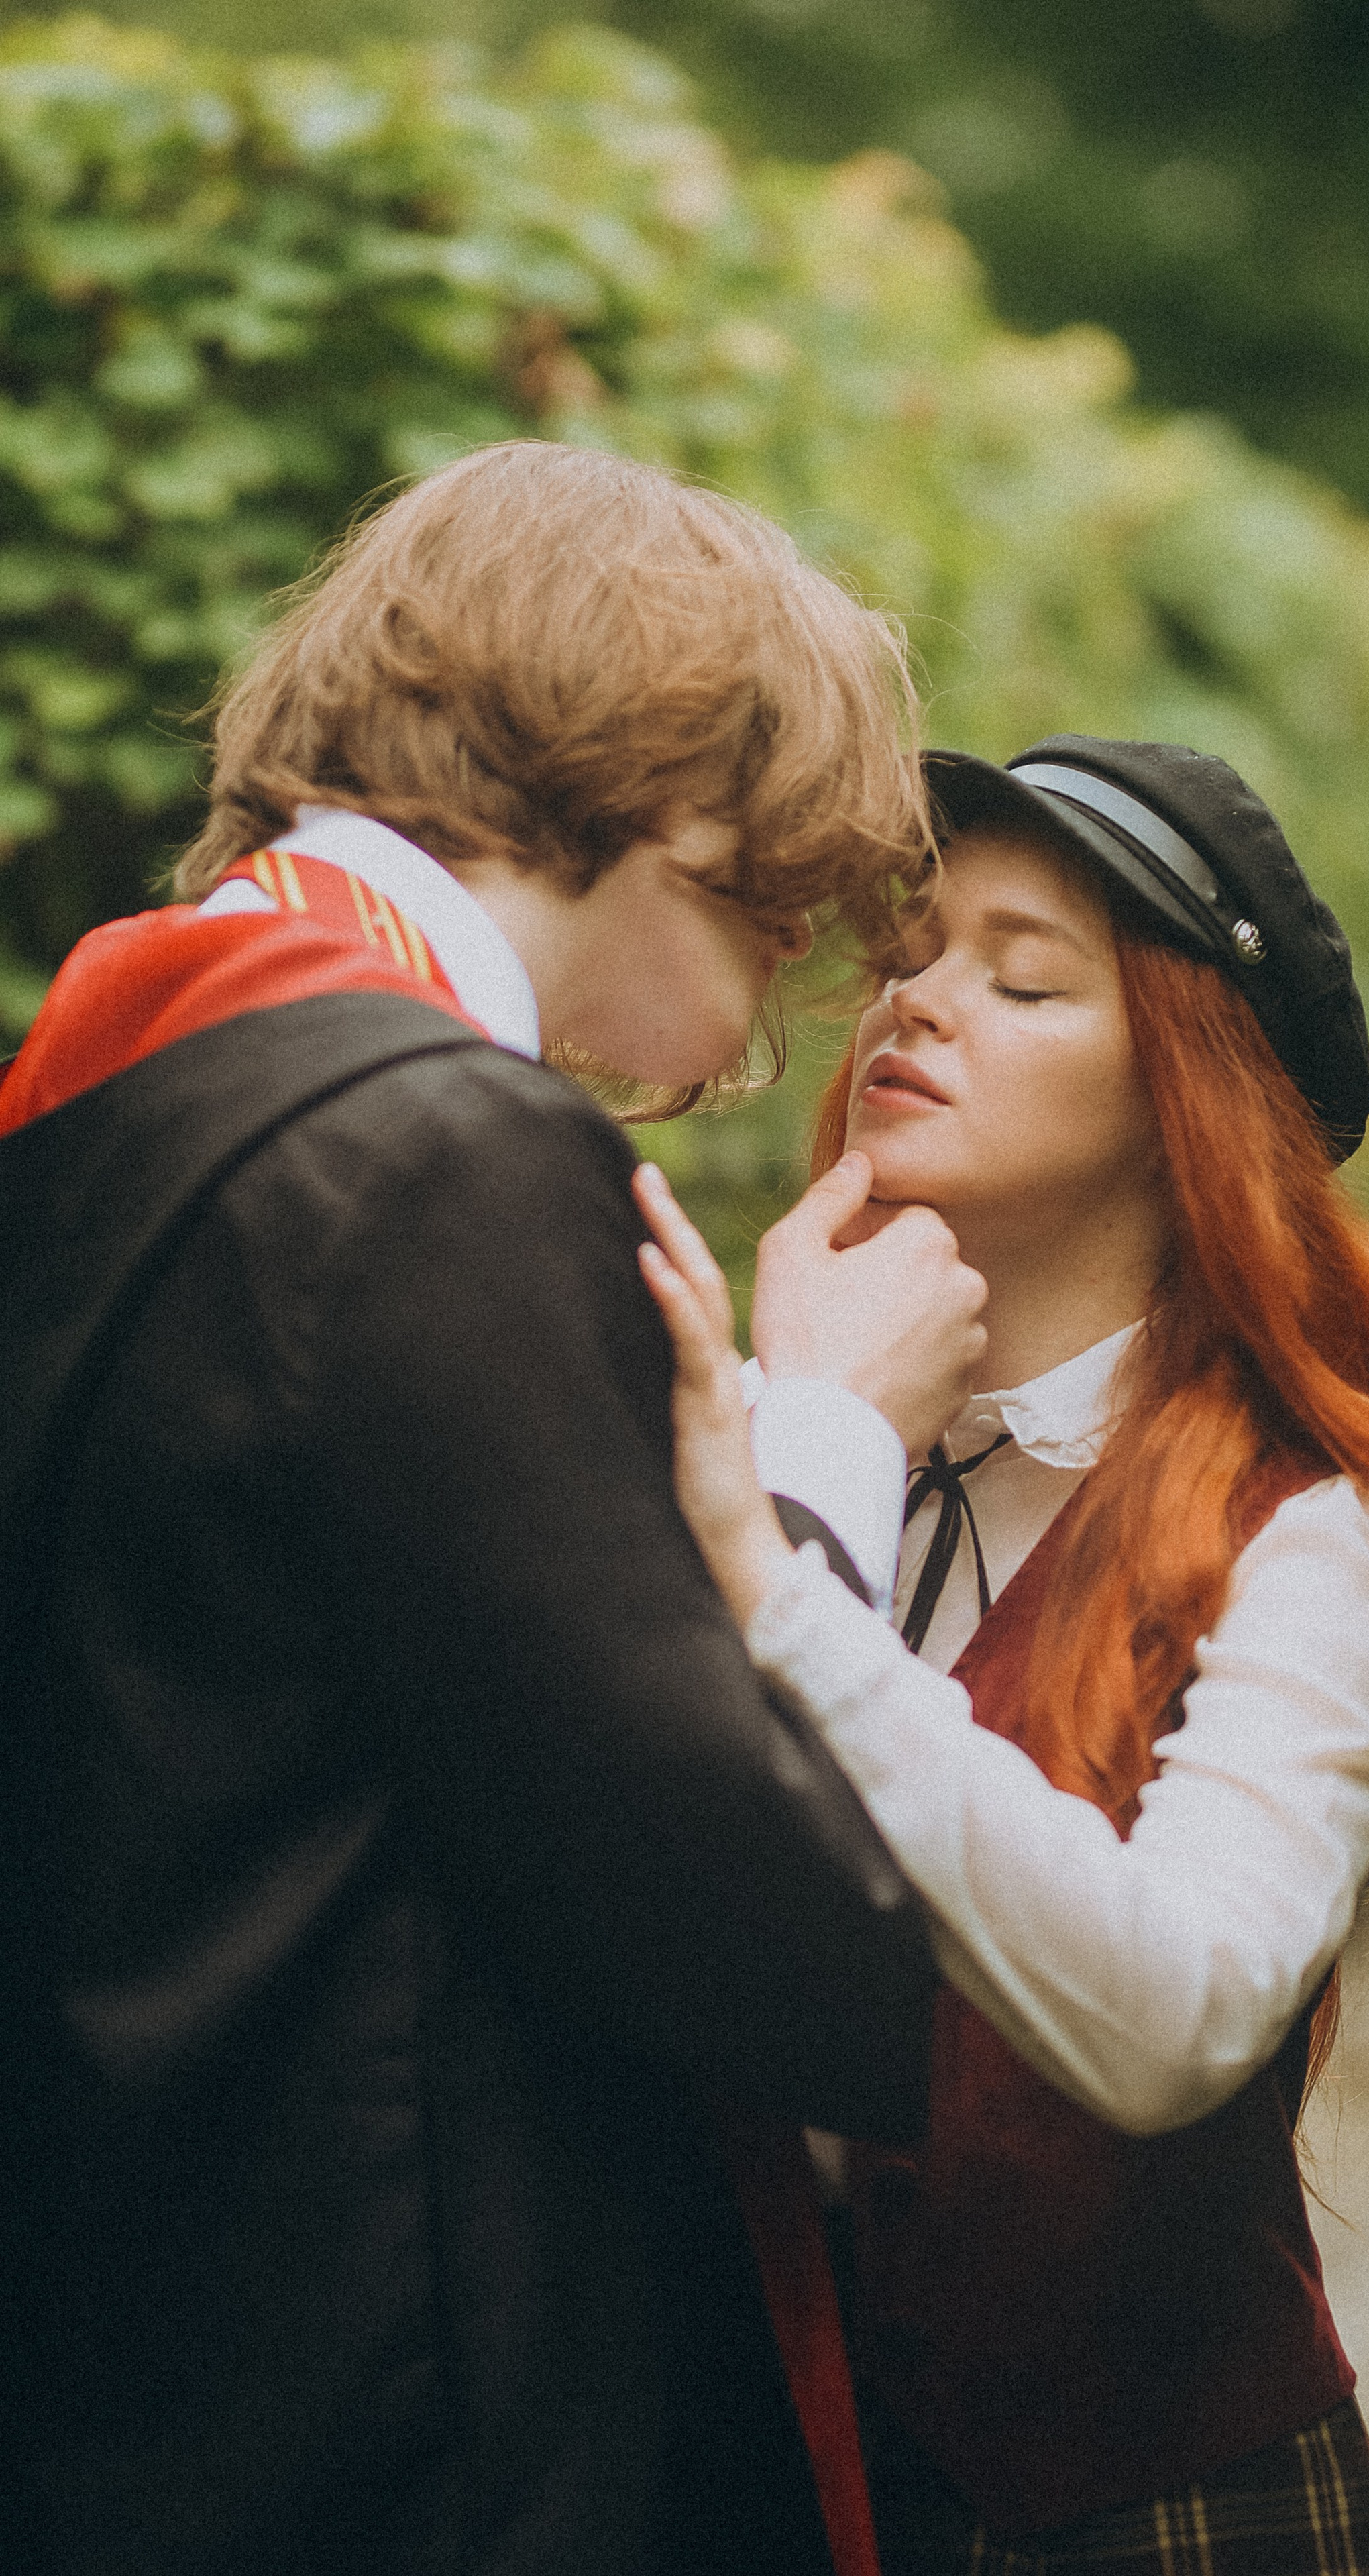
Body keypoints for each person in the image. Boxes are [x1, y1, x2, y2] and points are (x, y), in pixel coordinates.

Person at [0, 442, 998, 2576]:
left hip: (137, 2350)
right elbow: (734, 1915)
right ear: (672, 794)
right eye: (784, 907)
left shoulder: (113, 1078)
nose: (764, 1016)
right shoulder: (441, 1147)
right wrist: (822, 1445)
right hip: (410, 2414)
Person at [635, 734, 1369, 2576]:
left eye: (1024, 973)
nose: (920, 998)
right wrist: (796, 1451)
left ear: (1182, 1096)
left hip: (1156, 2517)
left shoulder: (1313, 1527)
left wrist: (779, 1571)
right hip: (750, 2491)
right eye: (915, 948)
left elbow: (1177, 2018)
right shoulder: (762, 1433)